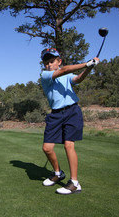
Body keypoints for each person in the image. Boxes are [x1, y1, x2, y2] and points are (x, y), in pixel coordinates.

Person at [40, 48, 99, 195]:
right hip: (55, 115)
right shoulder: (46, 75)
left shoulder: (67, 76)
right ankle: (58, 173)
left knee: (68, 145)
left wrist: (89, 68)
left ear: (58, 61)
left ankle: (74, 183)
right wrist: (87, 63)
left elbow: (77, 79)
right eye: (46, 62)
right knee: (47, 148)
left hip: (72, 111)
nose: (48, 64)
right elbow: (64, 70)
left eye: (52, 61)